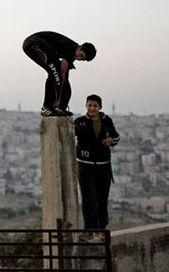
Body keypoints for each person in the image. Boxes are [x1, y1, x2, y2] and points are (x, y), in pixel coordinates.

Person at [22, 31, 96, 116]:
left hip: (47, 49)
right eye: (81, 55)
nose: (79, 58)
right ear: (80, 47)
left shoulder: (73, 52)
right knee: (54, 74)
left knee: (58, 75)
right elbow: (61, 74)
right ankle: (47, 107)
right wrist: (57, 100)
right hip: (33, 44)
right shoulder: (69, 48)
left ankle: (60, 107)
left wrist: (61, 104)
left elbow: (64, 76)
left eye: (82, 59)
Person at [74, 94, 119, 233]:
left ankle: (101, 228)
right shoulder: (80, 122)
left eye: (95, 106)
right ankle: (89, 229)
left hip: (103, 165)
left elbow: (116, 137)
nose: (92, 108)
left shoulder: (106, 121)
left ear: (100, 107)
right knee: (88, 198)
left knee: (101, 198)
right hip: (85, 165)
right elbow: (71, 136)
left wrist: (110, 141)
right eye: (90, 105)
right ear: (86, 106)